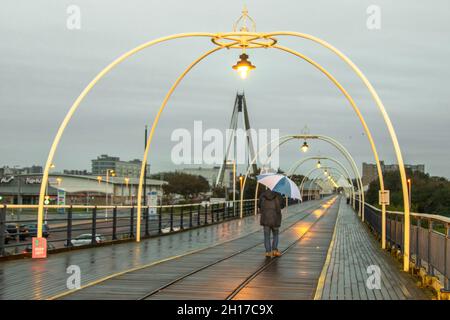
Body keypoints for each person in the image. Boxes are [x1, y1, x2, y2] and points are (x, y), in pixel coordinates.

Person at [258, 188, 285, 258]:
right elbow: (282, 206)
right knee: (275, 235)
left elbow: (259, 205)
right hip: (275, 218)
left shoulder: (263, 195)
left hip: (265, 218)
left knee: (266, 236)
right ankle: (274, 250)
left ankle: (268, 252)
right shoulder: (278, 195)